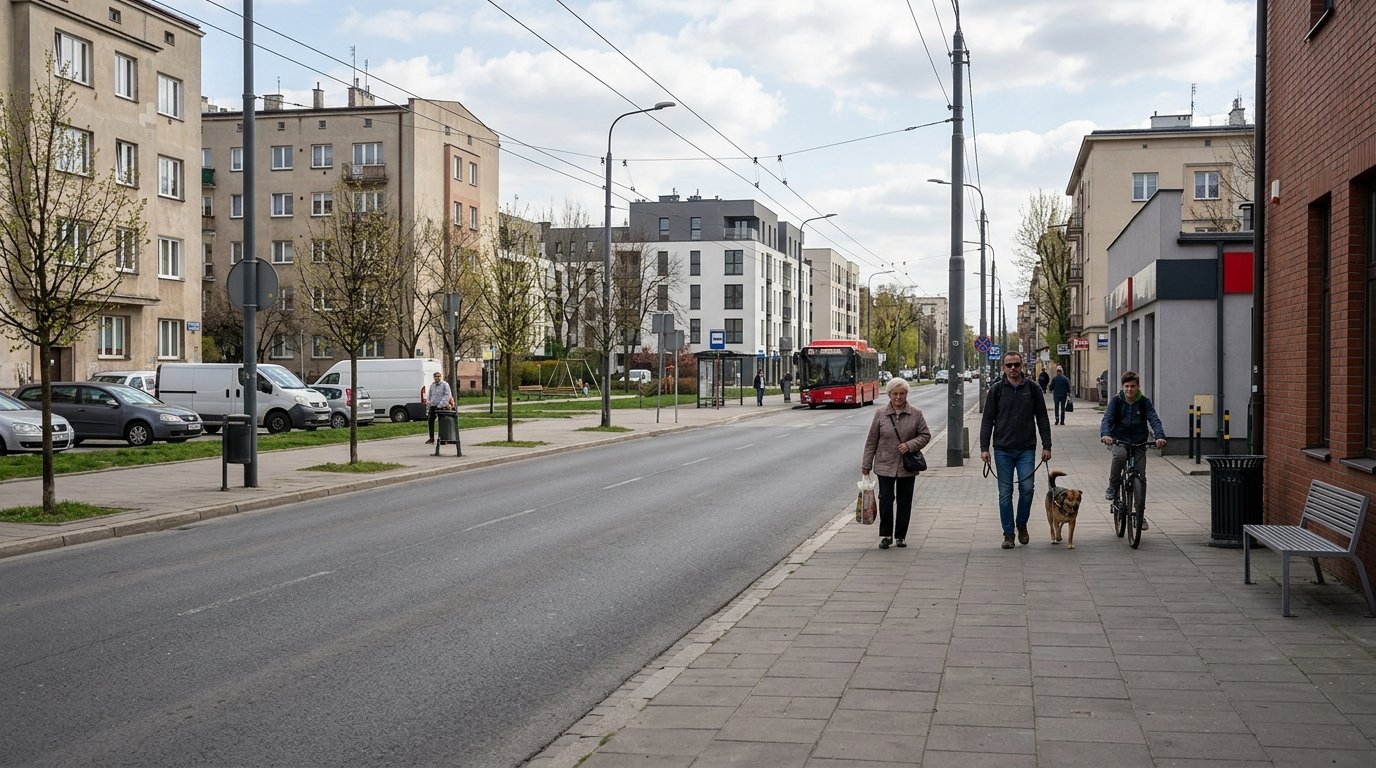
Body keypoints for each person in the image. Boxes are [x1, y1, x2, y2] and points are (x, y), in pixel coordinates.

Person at [980, 351, 1053, 549]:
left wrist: (1047, 445)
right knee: (1005, 493)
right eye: (1009, 365)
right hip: (1002, 449)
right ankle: (1008, 534)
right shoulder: (996, 390)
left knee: (1027, 489)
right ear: (1003, 367)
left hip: (1026, 449)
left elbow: (1042, 418)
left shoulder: (1033, 388)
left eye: (1016, 364)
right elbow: (987, 420)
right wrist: (984, 448)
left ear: (1022, 366)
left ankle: (1021, 523)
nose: (1013, 368)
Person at [861, 378, 932, 550]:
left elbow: (925, 435)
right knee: (885, 500)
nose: (898, 397)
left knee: (904, 501)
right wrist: (866, 464)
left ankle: (900, 536)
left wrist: (909, 445)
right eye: (895, 394)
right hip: (884, 464)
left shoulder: (916, 413)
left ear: (906, 394)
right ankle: (886, 535)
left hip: (907, 466)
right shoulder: (880, 414)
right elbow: (871, 441)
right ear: (889, 395)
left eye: (902, 394)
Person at [1099, 370, 1167, 529]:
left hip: (1139, 442)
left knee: (1141, 477)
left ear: (1138, 387)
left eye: (1133, 386)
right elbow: (1107, 419)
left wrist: (1160, 436)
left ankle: (1140, 515)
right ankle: (1113, 485)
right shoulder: (1116, 401)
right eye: (1127, 386)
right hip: (1119, 439)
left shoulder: (1144, 402)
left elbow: (1154, 419)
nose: (1130, 389)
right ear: (1122, 387)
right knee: (1120, 456)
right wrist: (1106, 434)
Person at [425, 371, 455, 444]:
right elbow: (430, 395)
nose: (437, 378)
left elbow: (447, 395)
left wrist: (440, 405)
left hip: (442, 406)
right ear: (434, 377)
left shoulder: (445, 384)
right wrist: (429, 402)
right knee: (430, 421)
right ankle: (431, 438)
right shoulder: (432, 385)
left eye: (438, 376)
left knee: (442, 423)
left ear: (441, 377)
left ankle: (442, 438)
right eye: (435, 376)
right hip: (433, 406)